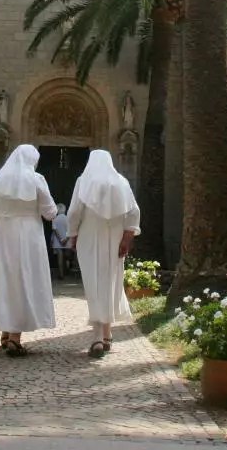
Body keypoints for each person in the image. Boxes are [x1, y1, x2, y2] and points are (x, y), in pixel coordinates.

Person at [0, 144, 57, 356]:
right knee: (24, 281)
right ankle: (15, 338)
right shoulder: (37, 179)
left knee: (6, 281)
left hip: (3, 237)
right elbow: (50, 212)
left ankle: (6, 332)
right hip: (29, 237)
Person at [67, 149, 140, 359]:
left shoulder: (83, 181)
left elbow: (74, 212)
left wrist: (73, 234)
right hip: (115, 237)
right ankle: (107, 334)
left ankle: (98, 337)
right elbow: (134, 212)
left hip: (89, 235)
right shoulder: (121, 182)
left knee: (94, 284)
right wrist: (127, 237)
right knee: (110, 283)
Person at [49, 203, 73, 279]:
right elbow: (70, 230)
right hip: (67, 241)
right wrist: (65, 239)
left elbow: (54, 230)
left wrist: (60, 239)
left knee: (60, 257)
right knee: (67, 256)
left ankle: (61, 274)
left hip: (57, 241)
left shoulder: (54, 219)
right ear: (65, 210)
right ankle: (67, 270)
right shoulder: (68, 219)